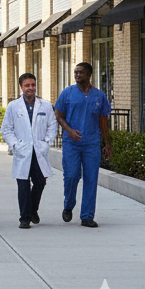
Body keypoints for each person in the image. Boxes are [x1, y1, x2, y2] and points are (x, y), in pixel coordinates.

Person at [54, 61, 112, 227]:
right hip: (71, 143)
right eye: (75, 72)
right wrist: (69, 131)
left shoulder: (99, 95)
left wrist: (107, 143)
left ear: (89, 74)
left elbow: (103, 120)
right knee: (71, 176)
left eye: (80, 72)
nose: (77, 75)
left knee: (91, 178)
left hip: (91, 143)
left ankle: (87, 215)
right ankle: (68, 204)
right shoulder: (68, 93)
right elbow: (58, 115)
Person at [1, 72, 57, 228]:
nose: (30, 88)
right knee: (23, 185)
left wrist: (47, 142)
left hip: (39, 150)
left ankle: (33, 209)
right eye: (27, 85)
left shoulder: (45, 105)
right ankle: (24, 218)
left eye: (33, 85)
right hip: (22, 150)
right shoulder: (13, 106)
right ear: (21, 87)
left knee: (40, 181)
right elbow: (6, 129)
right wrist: (14, 145)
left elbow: (52, 125)